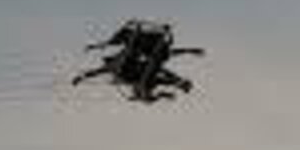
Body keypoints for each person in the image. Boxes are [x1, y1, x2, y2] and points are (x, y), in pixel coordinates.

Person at [73, 21, 204, 103]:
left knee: (153, 65)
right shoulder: (144, 78)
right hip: (133, 70)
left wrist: (82, 77)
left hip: (131, 71)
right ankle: (140, 39)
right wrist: (173, 88)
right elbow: (164, 78)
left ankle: (140, 39)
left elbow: (99, 71)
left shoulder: (126, 70)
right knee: (154, 65)